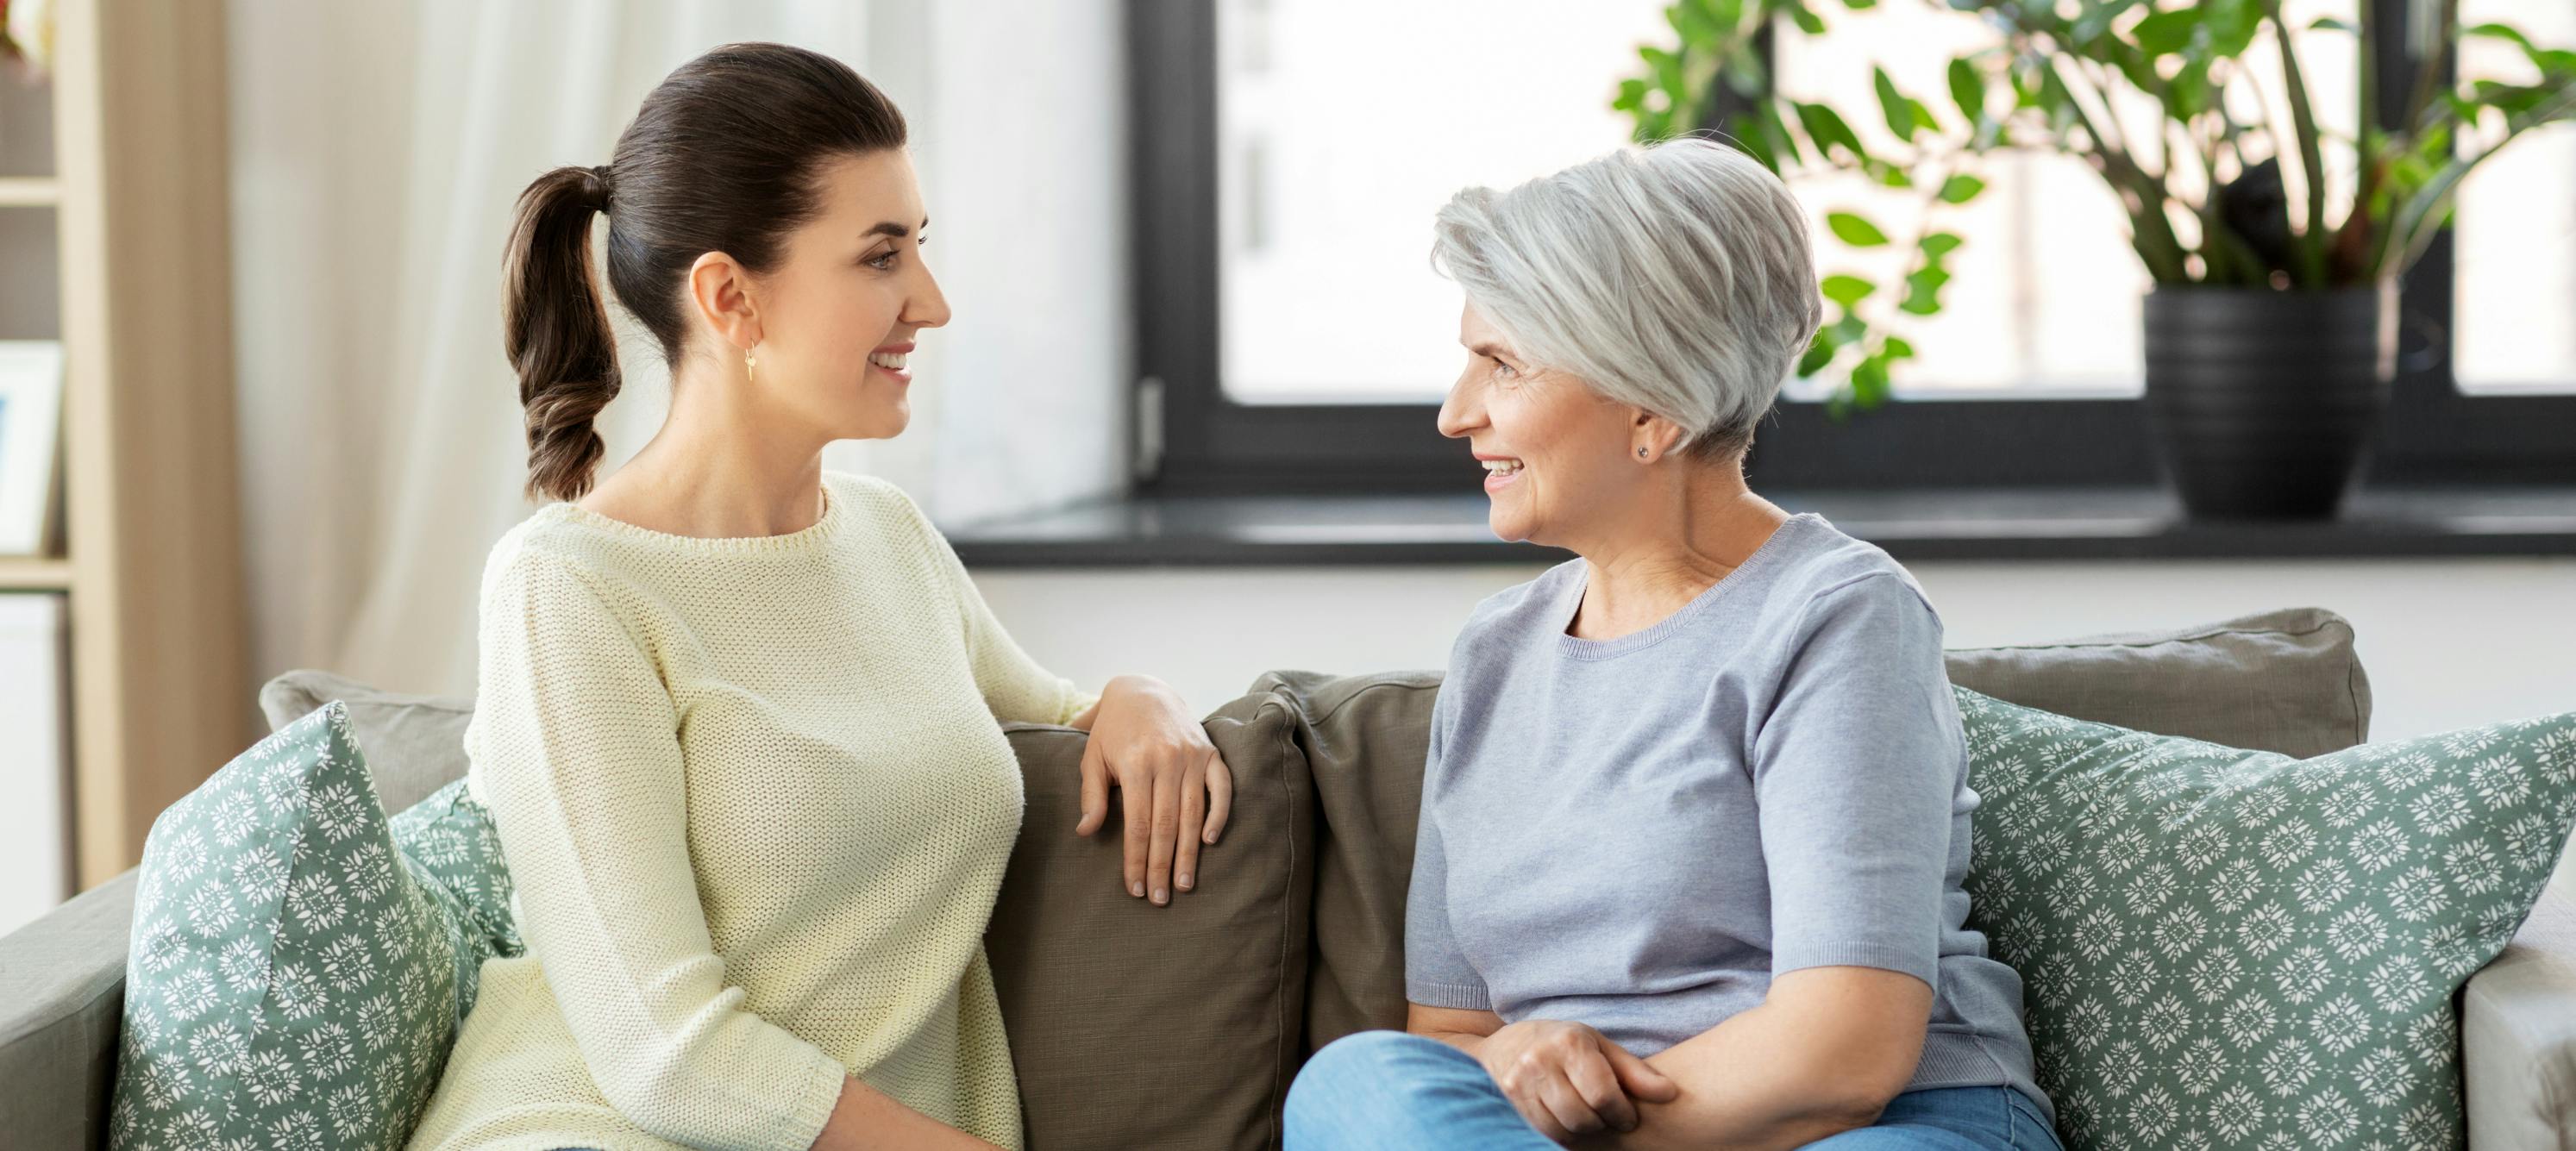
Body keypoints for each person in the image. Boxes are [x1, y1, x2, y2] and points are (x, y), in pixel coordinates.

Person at [405, 43, 1232, 1151]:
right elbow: (663, 1053)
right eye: (880, 258)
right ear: (729, 298)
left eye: (918, 249)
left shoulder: (886, 539)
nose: (929, 304)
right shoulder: (567, 592)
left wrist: (1141, 695)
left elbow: (1061, 707)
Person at [1282, 140, 2063, 1151]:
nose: (1453, 414)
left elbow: (1843, 1060)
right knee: (1356, 1086)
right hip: (1557, 1139)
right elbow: (1455, 1035)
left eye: (1502, 365)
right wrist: (1513, 1059)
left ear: (1654, 409)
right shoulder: (1493, 656)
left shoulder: (1836, 615)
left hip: (1878, 1127)